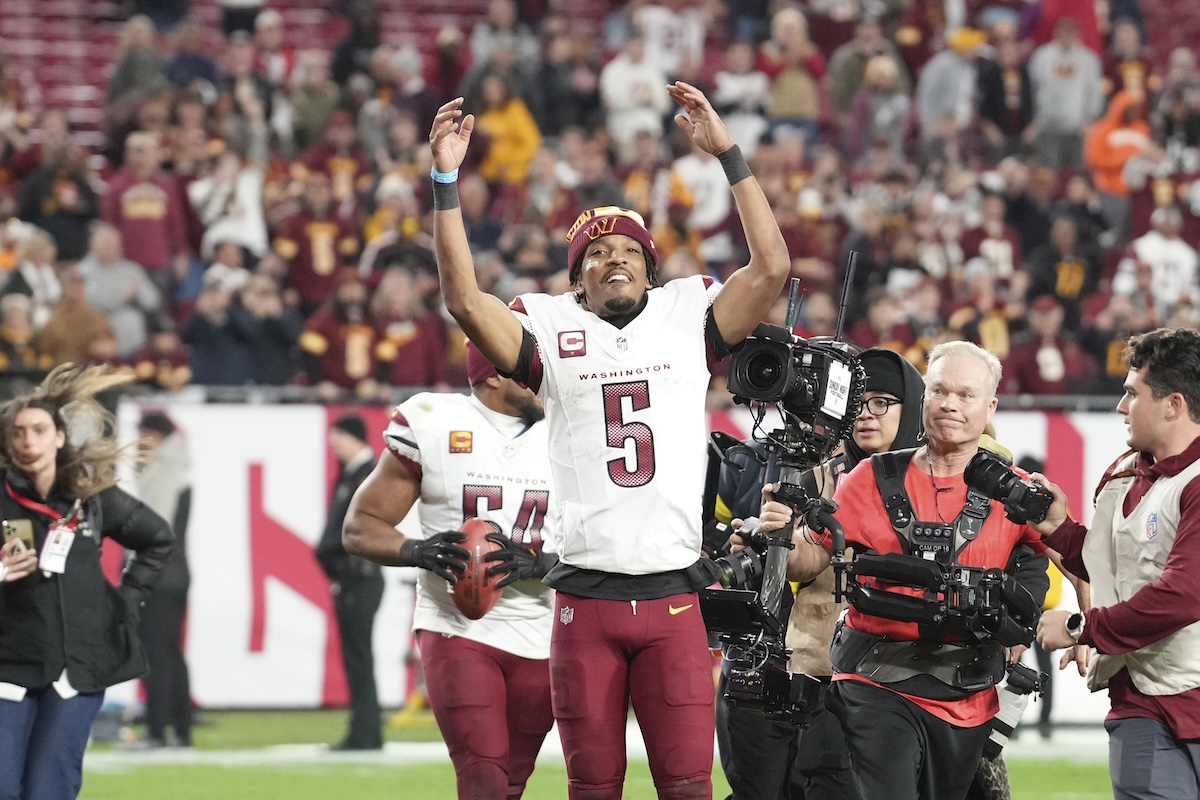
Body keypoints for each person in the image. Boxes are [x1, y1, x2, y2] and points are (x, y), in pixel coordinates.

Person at [426, 81, 791, 798]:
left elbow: (772, 266)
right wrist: (444, 182)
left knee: (687, 787)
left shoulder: (688, 314)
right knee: (591, 788)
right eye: (596, 253)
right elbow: (464, 300)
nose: (613, 258)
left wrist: (729, 155)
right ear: (577, 279)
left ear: (651, 267)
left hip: (675, 596)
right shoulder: (549, 326)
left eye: (628, 249)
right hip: (583, 598)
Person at [763, 341, 1052, 800]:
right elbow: (810, 555)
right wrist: (780, 537)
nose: (950, 404)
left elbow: (1071, 555)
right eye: (939, 391)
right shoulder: (867, 477)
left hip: (968, 692)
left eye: (965, 394)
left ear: (990, 407)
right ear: (924, 399)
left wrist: (1082, 624)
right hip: (874, 680)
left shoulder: (1019, 492)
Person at [342, 344, 559, 799]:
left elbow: (607, 540)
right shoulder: (435, 422)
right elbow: (361, 526)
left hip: (544, 630)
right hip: (457, 626)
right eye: (531, 367)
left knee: (512, 781)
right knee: (482, 773)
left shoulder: (569, 429)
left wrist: (543, 563)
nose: (543, 377)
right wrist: (417, 550)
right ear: (496, 374)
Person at [714, 348, 925, 800]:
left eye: (882, 402)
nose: (866, 414)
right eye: (857, 403)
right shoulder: (814, 479)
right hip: (810, 671)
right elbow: (798, 562)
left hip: (900, 678)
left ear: (912, 408)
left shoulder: (937, 481)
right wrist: (766, 541)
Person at [1033, 327, 1200, 799]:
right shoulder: (1127, 474)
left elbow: (1183, 595)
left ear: (1173, 404)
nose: (1121, 407)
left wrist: (1079, 627)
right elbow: (1115, 568)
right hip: (1138, 701)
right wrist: (1059, 528)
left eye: (1132, 393)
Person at [0, 365, 174, 799]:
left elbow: (157, 539)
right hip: (8, 664)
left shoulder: (90, 497)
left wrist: (125, 604)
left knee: (47, 790)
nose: (28, 442)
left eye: (39, 430)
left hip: (75, 668)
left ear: (59, 437)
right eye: (18, 433)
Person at [316, 413, 384, 751]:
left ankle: (366, 733)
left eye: (337, 441)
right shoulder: (352, 474)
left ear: (351, 438)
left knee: (359, 657)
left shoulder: (368, 474)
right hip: (350, 576)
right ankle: (363, 730)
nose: (334, 448)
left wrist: (345, 563)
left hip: (360, 575)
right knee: (356, 657)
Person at [134, 412, 194, 749]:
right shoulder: (176, 466)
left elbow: (154, 525)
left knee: (156, 653)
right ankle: (180, 728)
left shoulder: (165, 471)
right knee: (170, 652)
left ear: (155, 436)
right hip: (174, 573)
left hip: (159, 573)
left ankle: (157, 729)